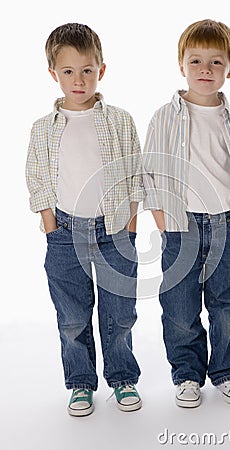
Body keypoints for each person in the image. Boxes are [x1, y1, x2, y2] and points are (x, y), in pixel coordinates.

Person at [25, 23, 144, 416]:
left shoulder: (119, 120)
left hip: (113, 231)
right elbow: (38, 178)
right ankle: (80, 383)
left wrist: (129, 226)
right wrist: (49, 225)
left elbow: (134, 175)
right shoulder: (43, 129)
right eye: (69, 72)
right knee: (73, 316)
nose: (79, 80)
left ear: (102, 70)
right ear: (53, 75)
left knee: (120, 311)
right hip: (64, 232)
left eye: (87, 70)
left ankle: (122, 378)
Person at [143, 19, 230, 407]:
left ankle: (226, 372)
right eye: (196, 61)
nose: (205, 70)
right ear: (182, 65)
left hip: (226, 224)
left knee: (226, 304)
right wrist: (163, 219)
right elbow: (151, 169)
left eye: (215, 62)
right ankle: (187, 374)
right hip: (181, 225)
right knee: (179, 307)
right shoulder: (165, 116)